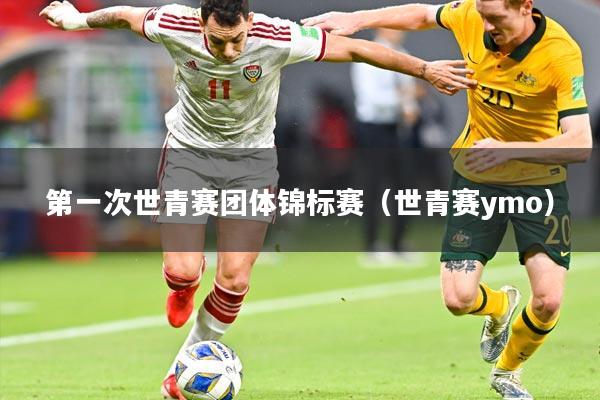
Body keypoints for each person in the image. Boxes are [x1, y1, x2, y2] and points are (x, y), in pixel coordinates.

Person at [39, 1, 477, 399]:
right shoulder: (173, 24)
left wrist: (424, 70)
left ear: (249, 22)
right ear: (200, 24)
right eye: (217, 41)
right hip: (189, 155)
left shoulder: (277, 36)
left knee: (234, 280)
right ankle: (184, 285)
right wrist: (78, 20)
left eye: (236, 40)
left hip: (252, 165)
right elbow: (125, 15)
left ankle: (180, 370)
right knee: (181, 269)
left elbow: (357, 50)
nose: (228, 52)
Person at [303, 1, 593, 399]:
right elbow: (424, 15)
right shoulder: (473, 14)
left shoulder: (560, 52)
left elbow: (580, 142)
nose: (486, 26)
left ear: (525, 7)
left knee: (548, 301)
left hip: (538, 183)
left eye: (496, 18)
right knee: (458, 299)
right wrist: (357, 18)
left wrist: (509, 151)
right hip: (477, 177)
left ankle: (508, 372)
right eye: (483, 16)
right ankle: (499, 305)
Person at [350, 29, 419, 264]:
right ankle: (372, 245)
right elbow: (371, 98)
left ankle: (398, 243)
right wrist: (402, 100)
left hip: (397, 128)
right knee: (373, 185)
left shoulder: (403, 54)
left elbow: (409, 92)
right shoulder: (367, 54)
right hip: (373, 128)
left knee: (403, 186)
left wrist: (410, 107)